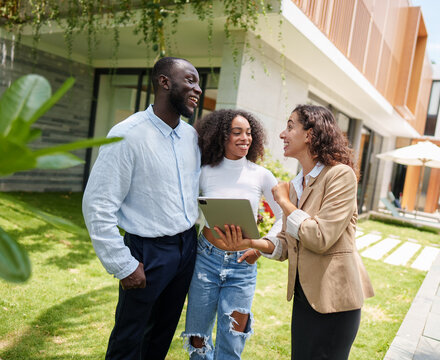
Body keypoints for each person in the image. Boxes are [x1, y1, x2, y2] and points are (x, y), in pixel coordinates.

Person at [218, 104, 375, 360]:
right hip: (305, 297)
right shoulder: (296, 184)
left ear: (310, 134)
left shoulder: (340, 176)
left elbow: (320, 237)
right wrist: (253, 243)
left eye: (290, 126)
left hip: (334, 301)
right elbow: (287, 244)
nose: (282, 134)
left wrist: (285, 203)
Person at [82, 57, 202, 360]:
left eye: (198, 82)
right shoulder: (128, 134)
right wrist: (122, 264)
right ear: (164, 82)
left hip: (187, 247)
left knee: (161, 335)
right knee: (129, 338)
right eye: (190, 80)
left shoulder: (191, 136)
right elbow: (98, 205)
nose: (197, 89)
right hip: (147, 253)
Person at [181, 109, 283, 359]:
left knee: (233, 339)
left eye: (249, 133)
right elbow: (185, 210)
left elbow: (285, 216)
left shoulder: (260, 175)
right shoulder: (204, 172)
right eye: (237, 132)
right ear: (221, 136)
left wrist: (262, 246)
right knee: (198, 337)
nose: (245, 138)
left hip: (242, 267)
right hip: (206, 260)